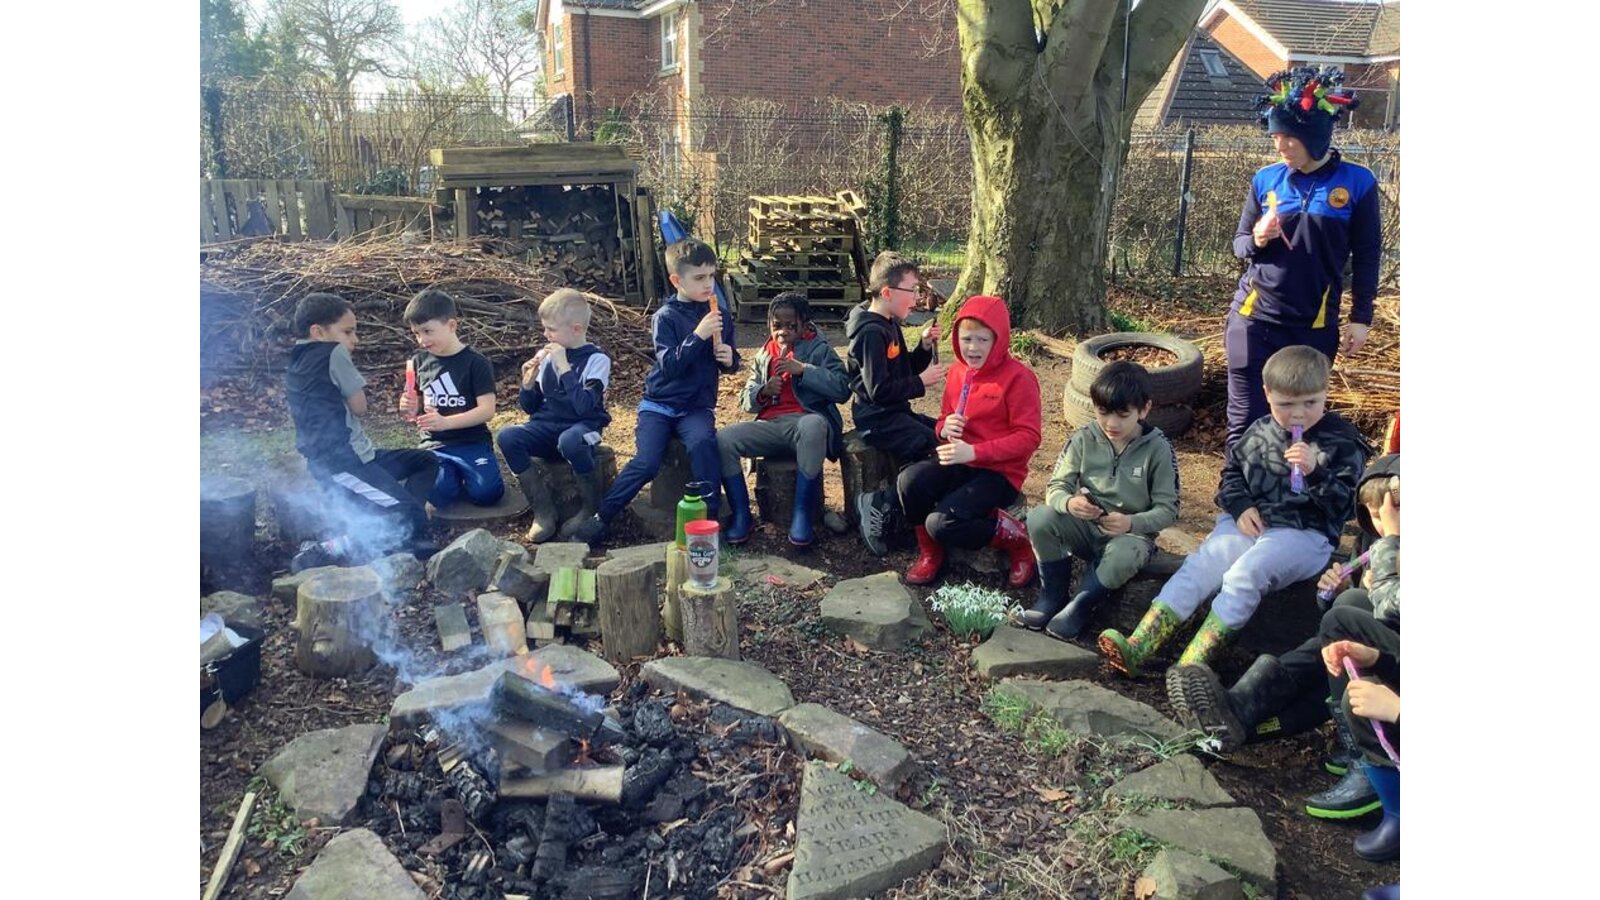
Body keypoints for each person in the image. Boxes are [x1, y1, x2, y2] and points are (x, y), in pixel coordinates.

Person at [1098, 345, 1369, 676]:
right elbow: (1231, 477)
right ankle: (1140, 645)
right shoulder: (1259, 431)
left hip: (1305, 534)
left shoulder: (1342, 441)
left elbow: (1349, 505)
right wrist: (1241, 507)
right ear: (1267, 394)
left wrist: (1316, 473)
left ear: (1326, 391)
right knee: (1202, 565)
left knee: (1245, 575)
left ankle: (1192, 667)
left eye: (1310, 403)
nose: (1298, 414)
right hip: (1247, 524)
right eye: (1286, 405)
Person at [1167, 454, 1398, 820]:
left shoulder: (1392, 545)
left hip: (1392, 670)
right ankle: (1236, 717)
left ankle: (1366, 761)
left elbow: (1391, 612)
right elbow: (1355, 612)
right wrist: (1335, 591)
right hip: (1367, 662)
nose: (1383, 524)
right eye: (1373, 515)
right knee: (1325, 646)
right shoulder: (1376, 542)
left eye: (1393, 513)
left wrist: (1383, 563)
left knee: (1343, 621)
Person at [1225, 66, 1381, 448]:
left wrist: (1361, 318)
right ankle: (1236, 487)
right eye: (1275, 137)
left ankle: (1291, 488)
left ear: (1314, 138)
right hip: (1252, 319)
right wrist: (1258, 237)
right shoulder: (1266, 179)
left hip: (1312, 326)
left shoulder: (1358, 183)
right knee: (1245, 423)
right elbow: (1240, 245)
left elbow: (1367, 256)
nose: (1279, 146)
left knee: (1299, 425)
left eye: (1288, 138)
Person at [569, 238, 738, 546]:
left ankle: (709, 523)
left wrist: (729, 359)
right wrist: (698, 335)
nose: (708, 284)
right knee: (647, 461)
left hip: (696, 406)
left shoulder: (721, 316)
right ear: (677, 280)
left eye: (711, 276)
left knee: (703, 446)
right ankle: (601, 517)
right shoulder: (666, 317)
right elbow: (670, 365)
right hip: (659, 404)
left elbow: (728, 362)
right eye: (699, 278)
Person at [285, 293, 440, 572]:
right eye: (347, 332)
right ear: (318, 332)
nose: (355, 340)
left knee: (425, 461)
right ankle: (332, 548)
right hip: (343, 464)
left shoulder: (296, 358)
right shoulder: (333, 352)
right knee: (409, 514)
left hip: (353, 458)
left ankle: (404, 524)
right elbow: (360, 407)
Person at [1024, 361, 1180, 639]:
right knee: (1039, 517)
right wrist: (1069, 504)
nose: (1111, 423)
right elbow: (1056, 487)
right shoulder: (1083, 438)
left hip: (1130, 537)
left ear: (1144, 409)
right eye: (1103, 412)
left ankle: (1080, 607)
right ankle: (1052, 596)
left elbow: (1169, 509)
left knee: (1124, 553)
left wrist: (1131, 522)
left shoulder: (1158, 448)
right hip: (1085, 528)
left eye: (1123, 414)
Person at [896, 295, 1040, 587]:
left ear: (999, 339)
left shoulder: (1019, 378)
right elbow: (944, 419)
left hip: (1000, 473)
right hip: (959, 459)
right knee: (908, 482)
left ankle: (1017, 540)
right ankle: (930, 554)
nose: (973, 348)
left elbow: (1029, 438)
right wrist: (943, 428)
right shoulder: (958, 372)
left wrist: (974, 451)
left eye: (983, 340)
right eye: (966, 339)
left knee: (941, 523)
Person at [718, 292, 851, 547]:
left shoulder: (819, 349)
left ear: (805, 325)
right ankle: (742, 514)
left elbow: (842, 388)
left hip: (804, 425)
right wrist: (763, 391)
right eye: (777, 325)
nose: (783, 332)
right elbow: (746, 400)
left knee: (814, 424)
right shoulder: (764, 353)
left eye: (791, 326)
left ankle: (802, 516)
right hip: (771, 426)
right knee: (723, 439)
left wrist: (804, 370)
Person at [848, 251, 946, 555]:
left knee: (944, 435)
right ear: (888, 292)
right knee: (932, 448)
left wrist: (924, 346)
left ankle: (909, 506)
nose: (917, 298)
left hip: (896, 412)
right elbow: (878, 390)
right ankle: (880, 503)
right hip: (876, 419)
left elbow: (904, 370)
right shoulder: (871, 332)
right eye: (911, 290)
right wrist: (921, 382)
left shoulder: (890, 323)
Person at [496, 288, 612, 543]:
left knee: (571, 440)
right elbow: (530, 407)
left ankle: (589, 508)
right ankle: (543, 510)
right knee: (507, 436)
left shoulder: (597, 360)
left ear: (576, 329)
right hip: (547, 426)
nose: (546, 335)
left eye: (551, 329)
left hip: (583, 428)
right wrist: (527, 385)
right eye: (545, 329)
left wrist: (564, 368)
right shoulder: (548, 359)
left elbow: (584, 407)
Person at [399, 288, 504, 508]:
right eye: (416, 333)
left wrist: (447, 422)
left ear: (452, 325)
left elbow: (487, 410)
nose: (422, 340)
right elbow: (415, 410)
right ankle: (450, 476)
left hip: (472, 441)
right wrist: (408, 406)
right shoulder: (419, 361)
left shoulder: (476, 363)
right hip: (435, 444)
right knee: (439, 493)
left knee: (487, 494)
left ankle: (467, 474)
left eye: (427, 331)